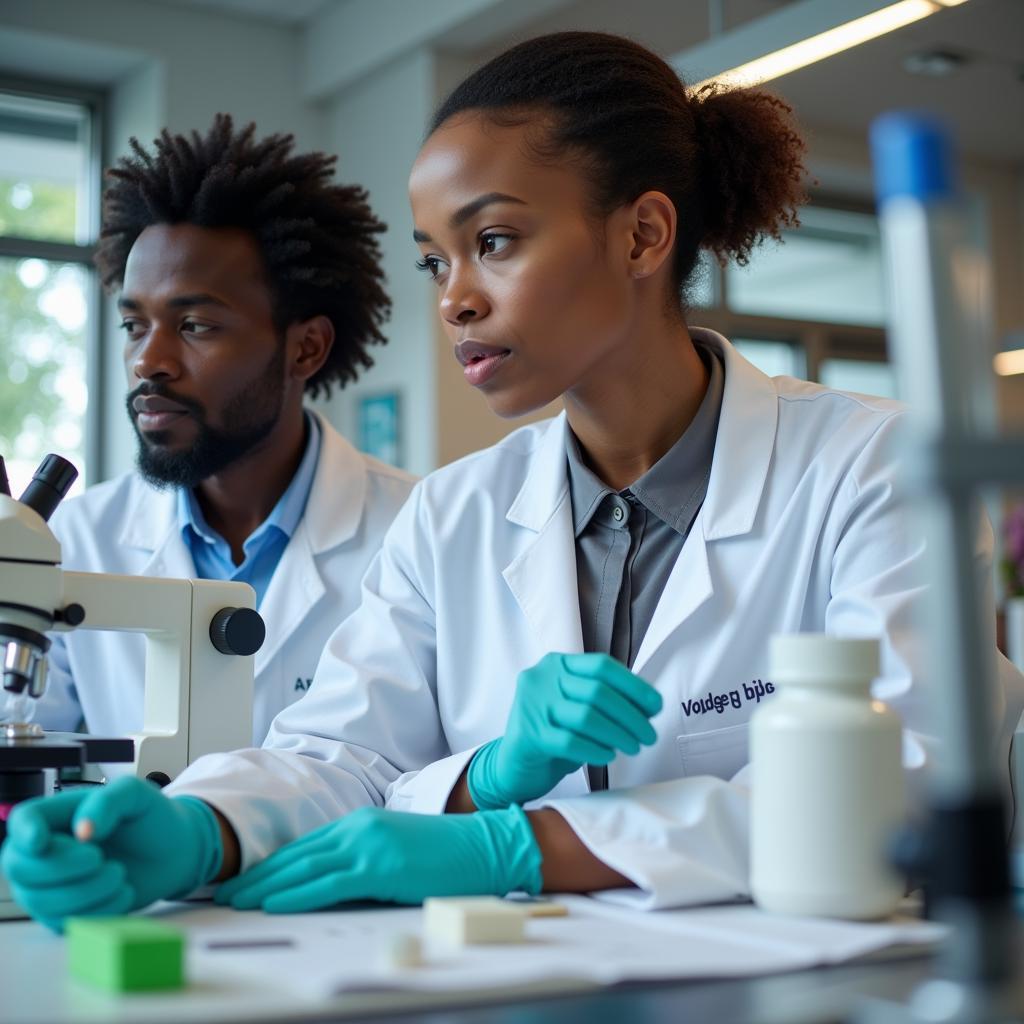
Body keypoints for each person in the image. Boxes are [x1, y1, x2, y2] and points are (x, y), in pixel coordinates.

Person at [5, 33, 1021, 925]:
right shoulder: (457, 512)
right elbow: (341, 754)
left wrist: (523, 843)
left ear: (641, 234)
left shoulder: (868, 464)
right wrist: (200, 827)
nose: (453, 301)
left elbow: (908, 775)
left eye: (491, 241)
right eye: (435, 262)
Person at [26, 115, 416, 749]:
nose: (148, 361)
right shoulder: (78, 540)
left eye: (195, 326)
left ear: (306, 349)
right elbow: (27, 757)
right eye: (134, 325)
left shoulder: (415, 532)